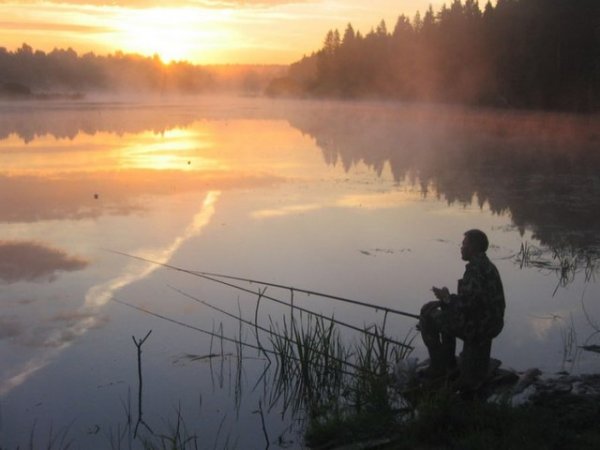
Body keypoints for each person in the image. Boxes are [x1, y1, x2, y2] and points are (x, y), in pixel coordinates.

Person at [419, 229, 505, 389]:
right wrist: (445, 302)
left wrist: (447, 298)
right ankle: (449, 364)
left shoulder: (476, 269)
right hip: (490, 322)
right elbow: (473, 301)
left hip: (480, 326)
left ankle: (439, 367)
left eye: (464, 244)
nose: (461, 247)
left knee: (427, 316)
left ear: (473, 247)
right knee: (443, 313)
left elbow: (469, 305)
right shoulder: (486, 266)